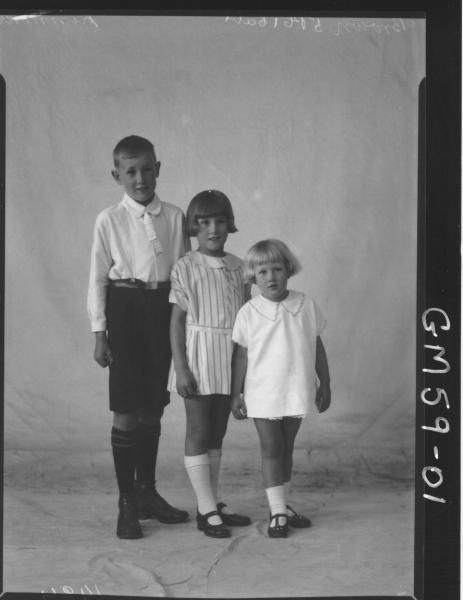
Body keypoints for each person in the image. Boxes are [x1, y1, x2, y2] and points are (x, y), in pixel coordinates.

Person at [87, 135, 191, 539]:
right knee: (127, 409)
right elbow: (97, 278)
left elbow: (184, 272)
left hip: (162, 310)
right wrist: (100, 332)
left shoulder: (176, 216)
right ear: (117, 176)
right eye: (130, 171)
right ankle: (126, 500)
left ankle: (148, 492)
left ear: (158, 169)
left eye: (147, 169)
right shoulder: (108, 220)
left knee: (153, 406)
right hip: (125, 308)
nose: (140, 178)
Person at [230, 239, 331, 538]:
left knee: (286, 448)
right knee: (272, 448)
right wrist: (236, 393)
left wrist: (325, 382)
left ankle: (282, 506)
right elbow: (241, 355)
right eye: (262, 272)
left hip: (296, 388)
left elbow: (317, 346)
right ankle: (276, 512)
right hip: (262, 391)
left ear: (288, 270)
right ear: (253, 276)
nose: (270, 277)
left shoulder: (305, 304)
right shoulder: (249, 311)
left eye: (276, 269)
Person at [169, 189, 252, 538]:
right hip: (199, 353)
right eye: (204, 223)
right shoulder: (186, 266)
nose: (213, 229)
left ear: (229, 224)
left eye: (219, 221)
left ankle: (213, 501)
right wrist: (182, 367)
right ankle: (204, 508)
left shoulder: (238, 266)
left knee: (218, 431)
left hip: (230, 353)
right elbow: (175, 321)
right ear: (194, 227)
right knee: (199, 430)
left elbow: (246, 317)